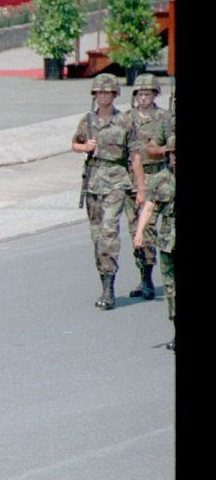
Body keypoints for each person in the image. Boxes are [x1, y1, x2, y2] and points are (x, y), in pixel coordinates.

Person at [71, 73, 136, 310]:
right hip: (93, 184)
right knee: (97, 237)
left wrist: (138, 186)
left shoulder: (125, 121)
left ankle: (110, 287)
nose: (102, 97)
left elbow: (134, 154)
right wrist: (83, 147)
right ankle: (104, 281)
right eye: (99, 93)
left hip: (117, 181)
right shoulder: (87, 121)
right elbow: (74, 143)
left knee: (109, 231)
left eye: (107, 93)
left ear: (115, 95)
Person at [133, 133, 176, 350]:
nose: (175, 158)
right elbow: (149, 207)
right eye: (171, 154)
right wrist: (140, 232)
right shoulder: (161, 179)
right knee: (171, 289)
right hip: (169, 240)